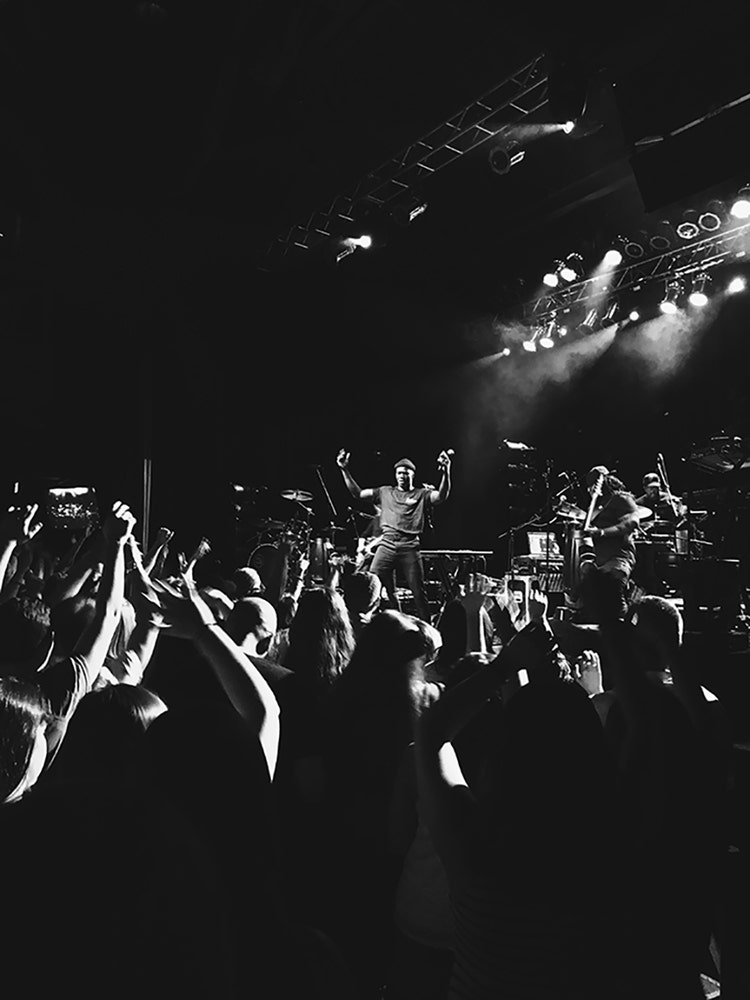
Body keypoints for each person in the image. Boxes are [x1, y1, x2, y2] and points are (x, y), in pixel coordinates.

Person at [336, 449, 452, 622]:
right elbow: (358, 494)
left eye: (405, 473)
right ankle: (360, 624)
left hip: (410, 546)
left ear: (412, 475)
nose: (402, 476)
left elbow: (441, 497)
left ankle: (428, 630)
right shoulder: (385, 492)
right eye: (399, 473)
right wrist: (344, 470)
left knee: (419, 592)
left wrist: (446, 472)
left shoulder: (421, 494)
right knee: (370, 584)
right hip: (387, 545)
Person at [581, 465, 641, 620]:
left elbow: (630, 523)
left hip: (617, 559)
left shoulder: (621, 498)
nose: (590, 490)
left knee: (616, 604)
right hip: (599, 561)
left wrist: (601, 532)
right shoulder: (596, 505)